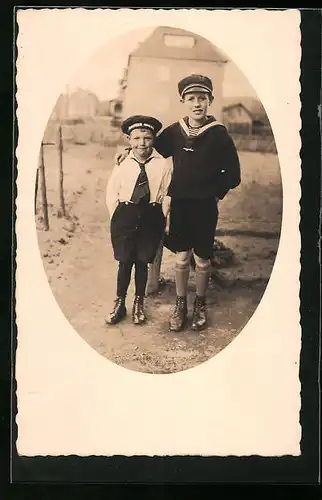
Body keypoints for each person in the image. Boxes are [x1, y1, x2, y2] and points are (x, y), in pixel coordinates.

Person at [116, 75, 241, 332]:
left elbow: (233, 174)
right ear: (182, 101)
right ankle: (181, 304)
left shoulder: (218, 134)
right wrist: (128, 152)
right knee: (182, 258)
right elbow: (150, 148)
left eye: (202, 99)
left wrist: (215, 193)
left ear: (210, 101)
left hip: (205, 205)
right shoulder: (175, 131)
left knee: (203, 259)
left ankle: (200, 304)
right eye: (191, 99)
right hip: (181, 204)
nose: (197, 104)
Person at [105, 115, 172, 326]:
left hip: (151, 216)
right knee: (124, 261)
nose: (141, 143)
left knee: (143, 261)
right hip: (126, 215)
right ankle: (120, 302)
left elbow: (167, 193)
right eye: (136, 139)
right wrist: (117, 217)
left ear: (153, 139)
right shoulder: (123, 163)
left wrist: (164, 218)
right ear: (128, 139)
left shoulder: (162, 165)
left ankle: (138, 302)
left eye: (147, 138)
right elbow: (112, 192)